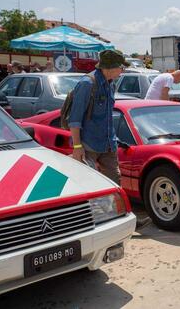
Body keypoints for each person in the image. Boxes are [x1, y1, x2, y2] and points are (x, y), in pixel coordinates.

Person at [68, 50, 151, 229]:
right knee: (89, 185)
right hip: (88, 144)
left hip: (107, 143)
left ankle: (124, 219)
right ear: (110, 68)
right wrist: (77, 146)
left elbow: (107, 117)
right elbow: (74, 119)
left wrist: (115, 139)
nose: (122, 71)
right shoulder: (86, 84)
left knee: (114, 182)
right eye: (120, 67)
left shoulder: (110, 84)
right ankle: (91, 223)